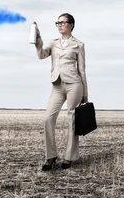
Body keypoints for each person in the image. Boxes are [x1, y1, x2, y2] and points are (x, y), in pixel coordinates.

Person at [34, 13, 88, 171]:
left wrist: (85, 91)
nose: (59, 25)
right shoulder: (53, 42)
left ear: (71, 25)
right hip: (57, 86)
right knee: (47, 119)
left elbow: (82, 70)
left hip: (74, 85)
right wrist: (37, 39)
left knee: (72, 119)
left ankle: (69, 157)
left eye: (63, 23)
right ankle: (50, 156)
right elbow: (41, 55)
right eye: (57, 23)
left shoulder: (79, 45)